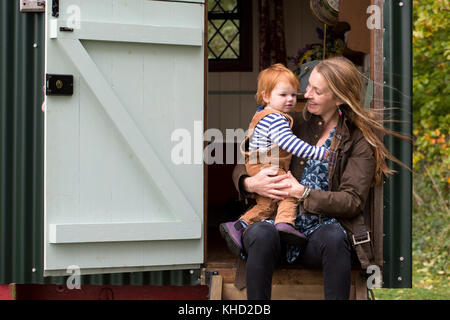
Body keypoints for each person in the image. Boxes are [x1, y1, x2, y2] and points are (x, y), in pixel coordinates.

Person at [231, 56, 407, 300]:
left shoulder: (359, 141)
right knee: (261, 233)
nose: (306, 94)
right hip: (276, 221)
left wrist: (302, 193)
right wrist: (250, 183)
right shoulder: (291, 122)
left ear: (338, 98)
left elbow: (353, 201)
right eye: (308, 85)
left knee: (335, 237)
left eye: (316, 90)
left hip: (317, 231)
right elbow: (248, 161)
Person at [220, 64, 330, 256]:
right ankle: (285, 224)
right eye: (283, 95)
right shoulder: (277, 119)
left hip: (258, 163)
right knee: (289, 191)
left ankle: (238, 225)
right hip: (266, 165)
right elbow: (290, 143)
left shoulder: (261, 115)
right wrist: (319, 153)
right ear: (266, 96)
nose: (291, 99)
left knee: (265, 205)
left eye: (294, 95)